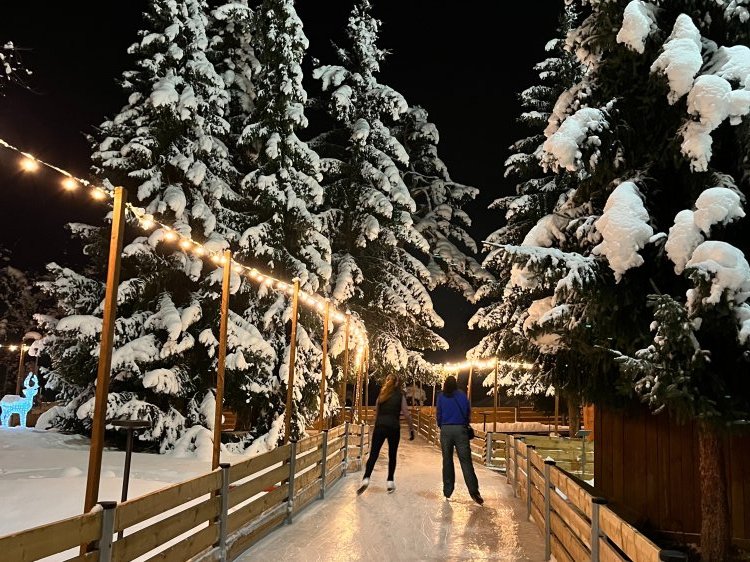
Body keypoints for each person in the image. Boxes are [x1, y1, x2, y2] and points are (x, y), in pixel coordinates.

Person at [358, 374, 415, 494]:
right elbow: (406, 413)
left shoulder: (381, 395)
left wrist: (376, 427)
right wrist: (411, 429)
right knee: (392, 455)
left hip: (380, 427)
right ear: (396, 383)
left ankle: (366, 478)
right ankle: (390, 481)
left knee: (374, 454)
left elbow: (377, 413)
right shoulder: (400, 396)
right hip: (393, 428)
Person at [436, 375, 483, 505]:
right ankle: (474, 492)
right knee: (466, 461)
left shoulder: (441, 396)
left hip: (446, 430)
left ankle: (448, 490)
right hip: (460, 430)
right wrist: (464, 423)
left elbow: (439, 413)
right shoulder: (461, 395)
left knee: (447, 460)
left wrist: (441, 425)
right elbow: (467, 411)